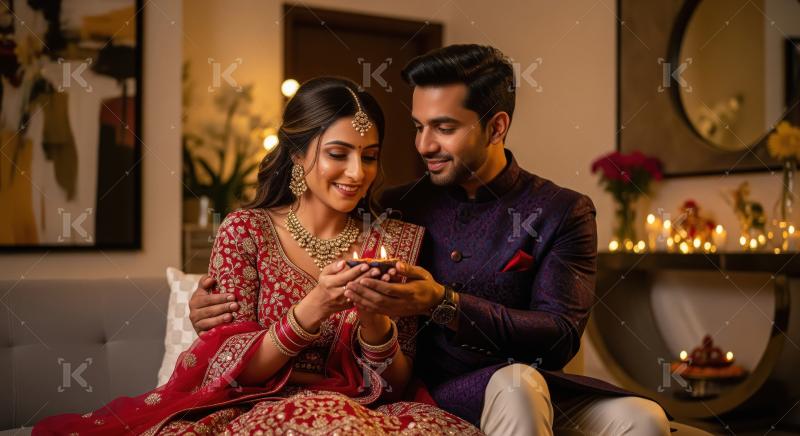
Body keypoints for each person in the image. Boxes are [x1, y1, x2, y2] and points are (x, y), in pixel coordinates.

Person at [190, 46, 672, 435]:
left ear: (496, 126)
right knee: (517, 384)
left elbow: (561, 336)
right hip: (444, 392)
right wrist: (202, 306)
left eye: (443, 128)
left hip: (527, 384)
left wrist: (442, 302)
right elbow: (237, 335)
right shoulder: (398, 208)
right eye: (419, 127)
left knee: (644, 419)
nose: (422, 146)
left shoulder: (559, 210)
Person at [33, 77, 481, 435]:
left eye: (369, 157)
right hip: (255, 408)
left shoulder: (393, 243)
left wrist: (374, 318)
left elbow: (399, 383)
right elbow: (228, 368)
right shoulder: (246, 232)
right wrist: (315, 306)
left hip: (368, 412)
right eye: (338, 154)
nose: (356, 173)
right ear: (297, 155)